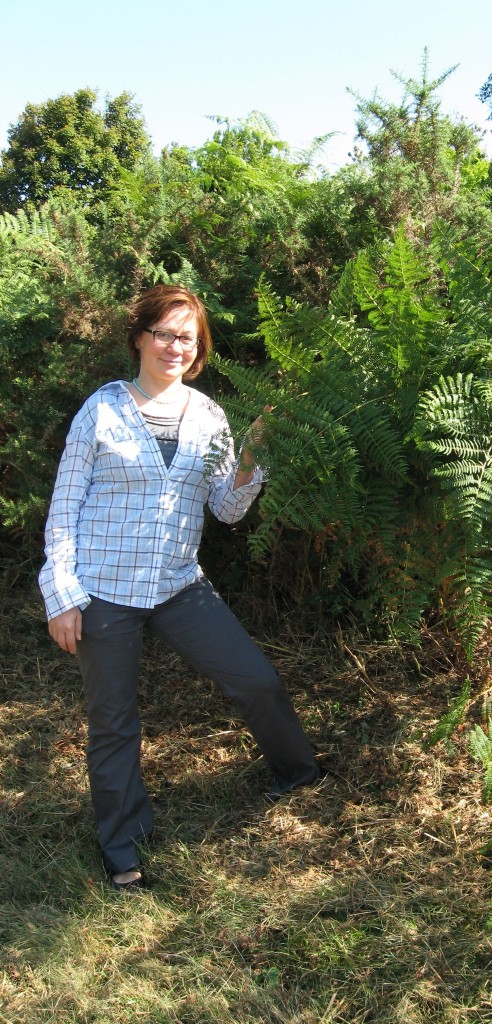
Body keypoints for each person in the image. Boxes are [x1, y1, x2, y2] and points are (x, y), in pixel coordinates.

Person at [39, 284, 319, 891]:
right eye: (163, 332)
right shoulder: (102, 410)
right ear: (139, 338)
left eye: (186, 337)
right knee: (113, 721)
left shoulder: (209, 416)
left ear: (198, 350)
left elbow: (227, 509)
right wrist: (61, 593)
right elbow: (63, 510)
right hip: (103, 590)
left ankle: (299, 773)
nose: (174, 345)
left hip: (178, 584)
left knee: (256, 679)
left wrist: (250, 460)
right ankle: (123, 847)